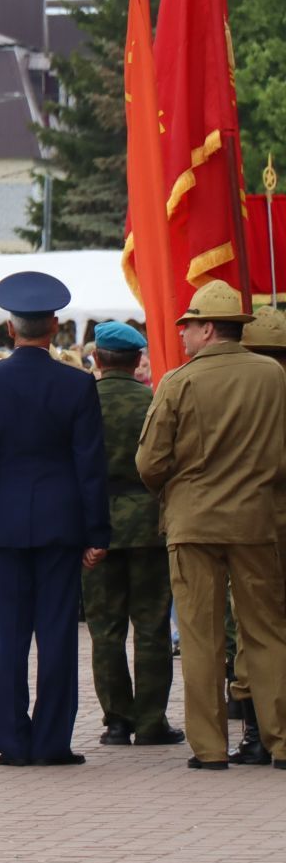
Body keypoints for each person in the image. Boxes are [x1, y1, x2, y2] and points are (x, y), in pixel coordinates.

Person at [0, 271, 109, 767]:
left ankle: (13, 743)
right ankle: (51, 742)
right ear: (55, 326)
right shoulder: (78, 384)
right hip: (61, 525)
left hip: (1, 527)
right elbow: (91, 466)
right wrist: (96, 533)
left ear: (9, 328)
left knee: (9, 638)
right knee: (58, 634)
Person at [136, 281, 286, 770]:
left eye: (187, 326)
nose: (182, 335)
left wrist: (179, 484)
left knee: (201, 637)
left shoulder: (178, 382)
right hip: (256, 520)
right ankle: (281, 741)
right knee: (265, 632)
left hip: (193, 521)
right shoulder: (273, 376)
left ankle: (210, 748)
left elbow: (150, 463)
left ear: (205, 328)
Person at [79, 322, 183, 748]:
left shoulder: (81, 403)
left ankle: (117, 721)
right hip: (147, 524)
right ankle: (152, 720)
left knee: (105, 629)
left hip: (93, 525)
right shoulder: (153, 400)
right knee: (153, 626)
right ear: (138, 360)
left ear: (98, 359)